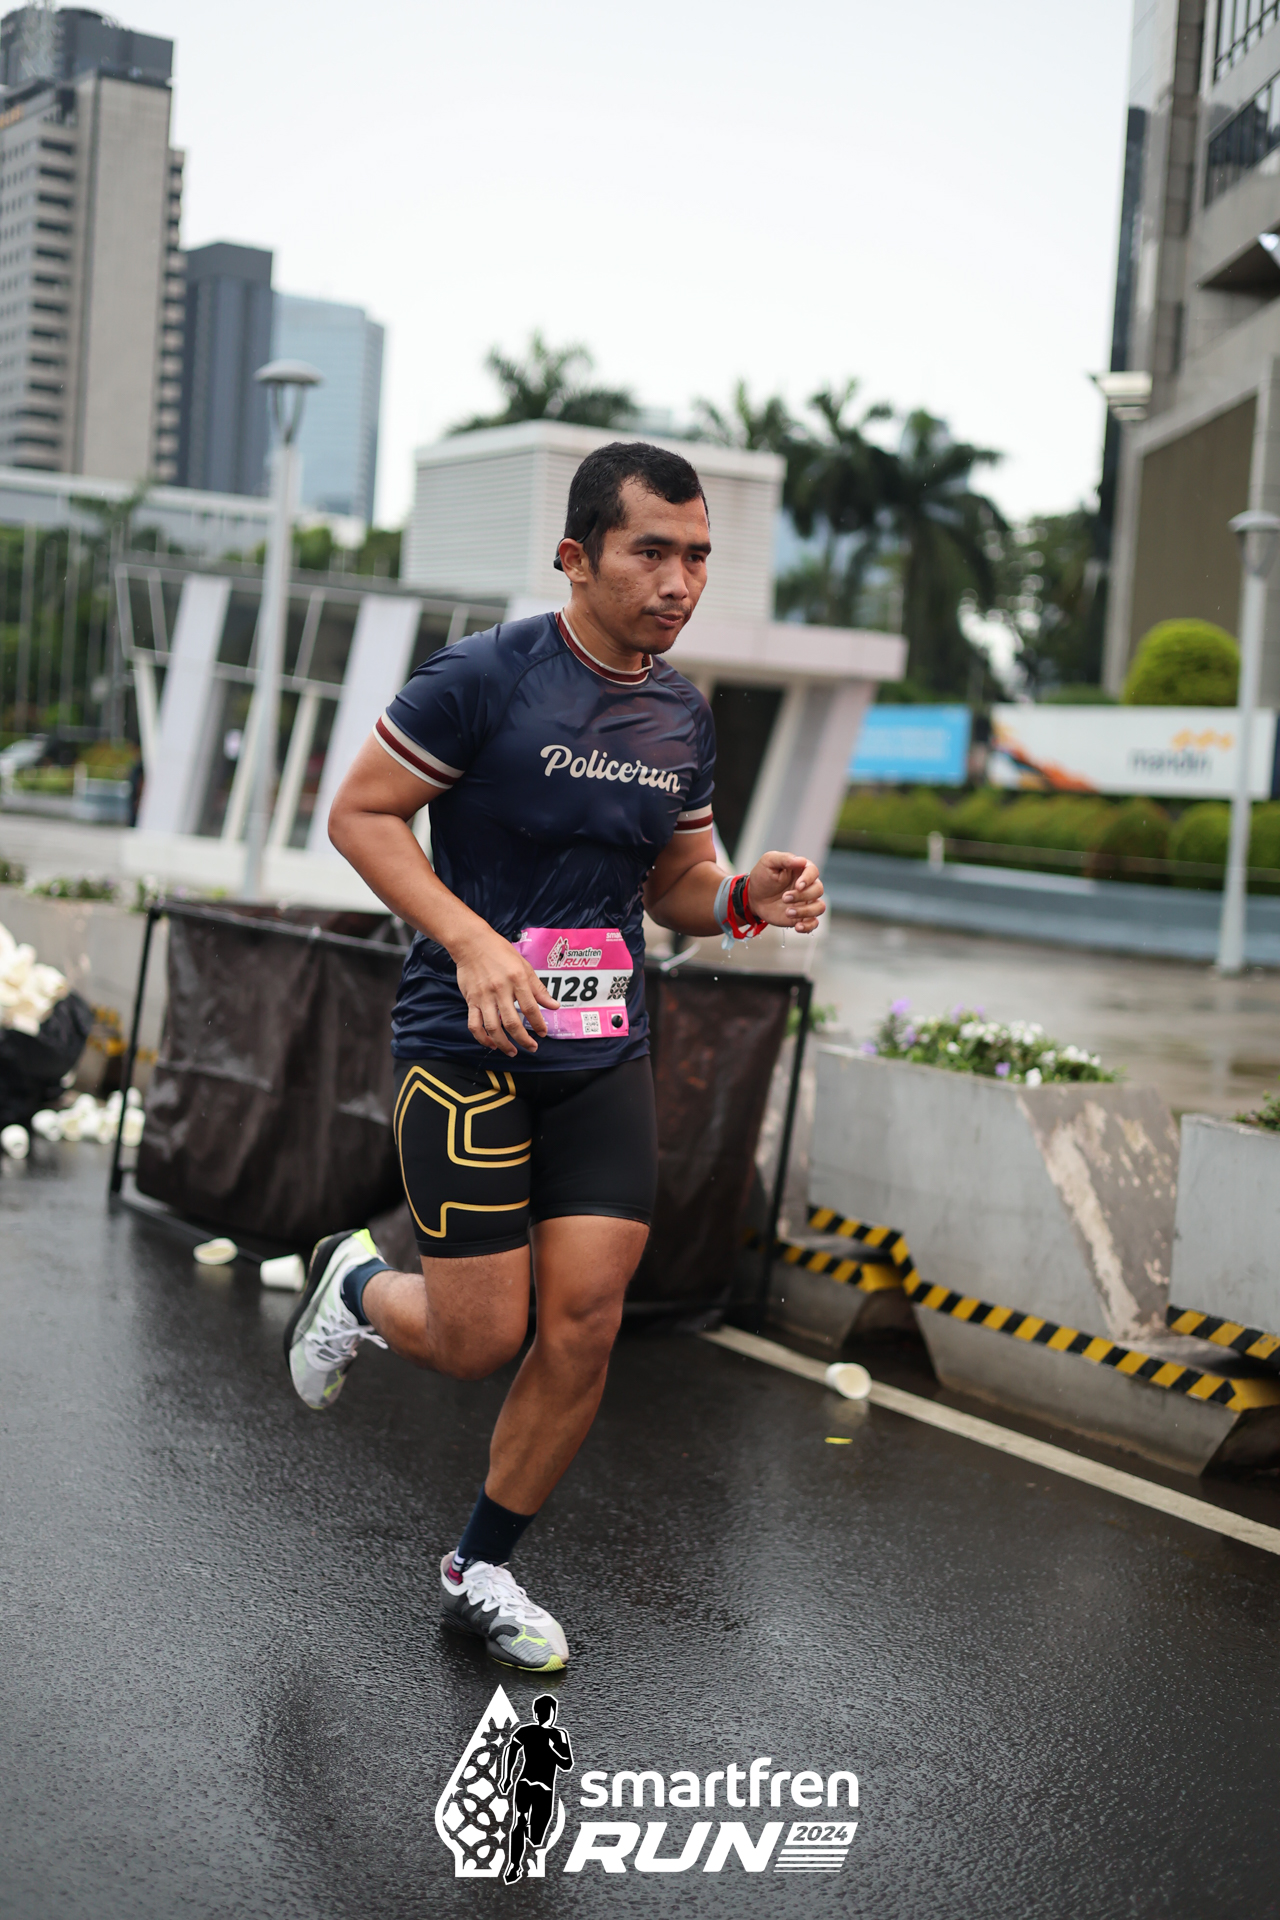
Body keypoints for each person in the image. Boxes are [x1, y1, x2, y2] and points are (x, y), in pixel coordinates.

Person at [283, 440, 826, 1673]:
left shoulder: (681, 711)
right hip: (464, 1044)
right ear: (575, 557)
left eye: (697, 557)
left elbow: (675, 880)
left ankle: (479, 1567)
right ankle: (354, 1285)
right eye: (651, 552)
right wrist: (472, 942)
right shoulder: (484, 678)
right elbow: (360, 814)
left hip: (598, 1049)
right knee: (478, 1339)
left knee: (582, 1321)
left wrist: (743, 897)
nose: (679, 582)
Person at [500, 1694, 573, 1883]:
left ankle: (527, 1835)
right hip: (527, 1783)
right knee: (519, 1821)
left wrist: (551, 1750)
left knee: (536, 1836)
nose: (546, 1715)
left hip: (544, 1789)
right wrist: (506, 1777)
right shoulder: (527, 1731)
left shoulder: (559, 1735)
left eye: (548, 1712)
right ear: (536, 1713)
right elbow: (511, 1749)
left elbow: (567, 1764)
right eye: (543, 1712)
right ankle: (514, 1865)